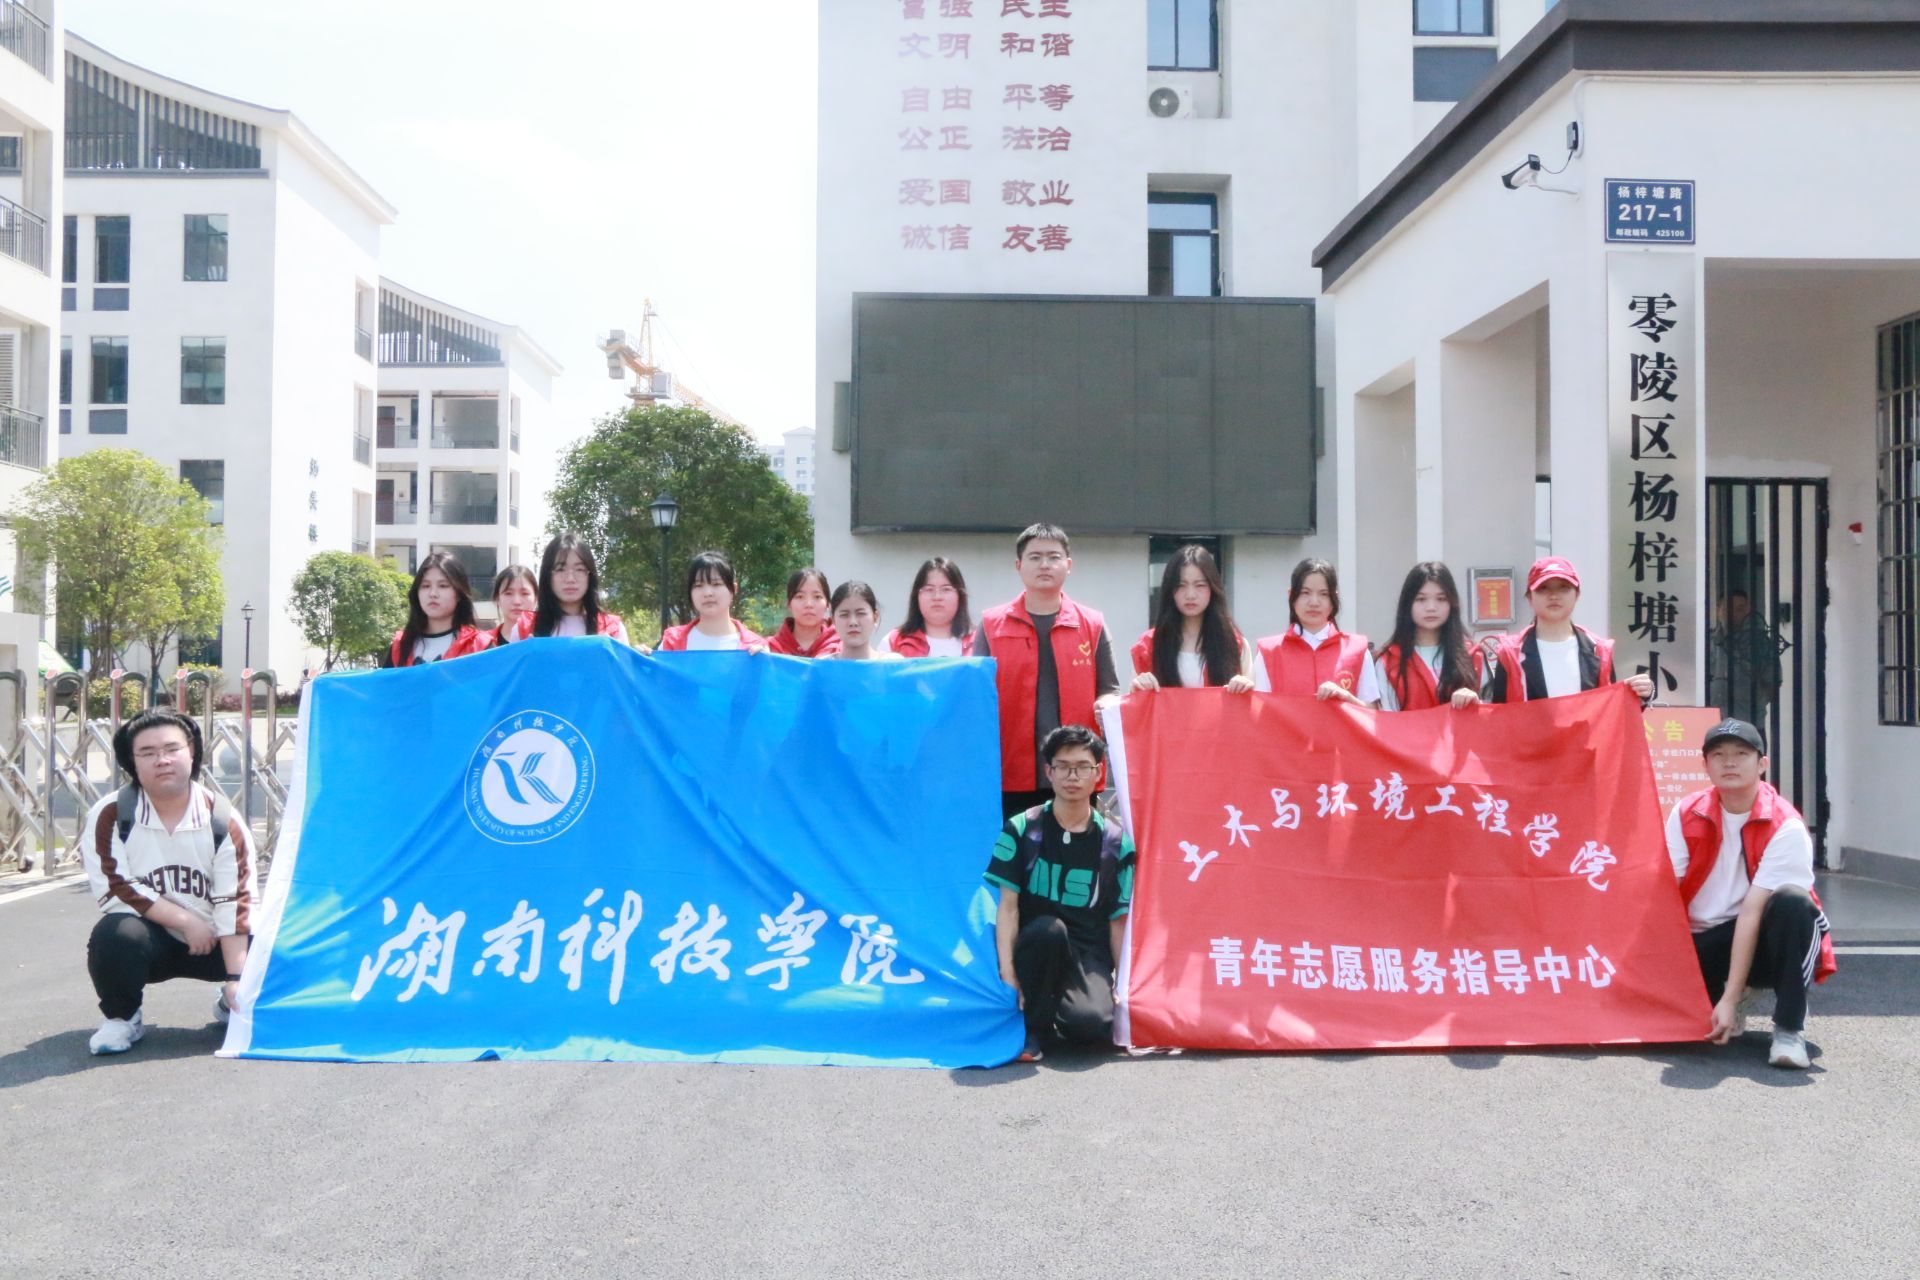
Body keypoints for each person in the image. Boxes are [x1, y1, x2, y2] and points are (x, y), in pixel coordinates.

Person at [80, 708, 255, 1056]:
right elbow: (115, 887)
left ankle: (231, 1001)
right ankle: (123, 1017)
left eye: (172, 749)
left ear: (192, 752)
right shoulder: (111, 813)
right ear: (131, 761)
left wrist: (237, 979)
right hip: (151, 940)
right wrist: (184, 921)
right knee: (114, 934)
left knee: (274, 943)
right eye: (147, 752)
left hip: (216, 940)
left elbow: (235, 900)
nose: (162, 760)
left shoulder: (222, 818)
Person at [1666, 718, 1835, 1070]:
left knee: (1792, 902)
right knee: (1681, 1030)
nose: (1729, 762)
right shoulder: (1685, 813)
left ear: (1762, 764)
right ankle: (1728, 995)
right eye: (1718, 754)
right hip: (1703, 942)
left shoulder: (1785, 825)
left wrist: (1728, 999)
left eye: (1741, 754)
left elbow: (1751, 912)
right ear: (1705, 765)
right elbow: (1664, 893)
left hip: (1764, 941)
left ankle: (1789, 1028)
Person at [985, 725, 1133, 1064]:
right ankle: (1034, 1028)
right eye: (1063, 767)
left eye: (1082, 767)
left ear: (1099, 774)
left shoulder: (1115, 842)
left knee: (1090, 1025)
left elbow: (1117, 921)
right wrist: (1008, 971)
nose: (1072, 776)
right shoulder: (1022, 828)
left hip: (1087, 949)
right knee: (1049, 930)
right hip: (1037, 943)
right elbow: (1008, 908)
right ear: (1049, 772)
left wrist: (1121, 986)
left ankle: (1064, 1011)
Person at [972, 523, 1120, 818]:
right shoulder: (991, 625)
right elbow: (975, 695)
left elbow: (1110, 689)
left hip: (1076, 770)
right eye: (1035, 557)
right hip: (1010, 769)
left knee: (1076, 844)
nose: (1044, 565)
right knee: (1015, 845)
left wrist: (1106, 704)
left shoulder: (1092, 624)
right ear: (1019, 565)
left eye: (1053, 557)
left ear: (1068, 565)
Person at [1483, 557, 1655, 703]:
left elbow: (1609, 713)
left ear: (1577, 595)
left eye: (1563, 588)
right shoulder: (1510, 653)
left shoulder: (1599, 651)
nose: (1554, 596)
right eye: (1543, 588)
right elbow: (1498, 715)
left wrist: (1642, 694)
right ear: (1529, 597)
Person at [1128, 544, 1255, 692]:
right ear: (1170, 590)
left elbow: (1253, 701)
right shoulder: (1148, 646)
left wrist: (1244, 686)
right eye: (1181, 585)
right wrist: (1137, 688)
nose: (1190, 595)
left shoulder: (1235, 644)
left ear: (1213, 588)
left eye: (1199, 585)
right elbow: (1133, 703)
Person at [1253, 557, 1379, 706]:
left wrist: (1346, 698)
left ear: (1334, 598)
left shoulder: (1357, 650)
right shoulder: (1269, 652)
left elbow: (1372, 712)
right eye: (1305, 593)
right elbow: (1258, 709)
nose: (1314, 602)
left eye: (1323, 594)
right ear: (1291, 595)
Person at [1374, 562, 1482, 711]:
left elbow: (1492, 714)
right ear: (1407, 604)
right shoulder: (1389, 662)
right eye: (1421, 599)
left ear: (1452, 603)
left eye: (1441, 599)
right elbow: (1385, 719)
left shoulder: (1473, 656)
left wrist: (1475, 703)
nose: (1431, 608)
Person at [381, 552, 495, 668]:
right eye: (426, 586)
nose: (433, 594)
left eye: (443, 586)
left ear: (459, 594)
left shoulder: (479, 646)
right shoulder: (400, 647)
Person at [517, 534, 632, 644]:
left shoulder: (611, 630)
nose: (570, 579)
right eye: (560, 569)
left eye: (579, 569)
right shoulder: (526, 629)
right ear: (547, 575)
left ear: (590, 575)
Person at [658, 550, 767, 651]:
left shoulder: (756, 648)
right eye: (698, 585)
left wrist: (764, 661)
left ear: (733, 589)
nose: (707, 593)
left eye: (716, 584)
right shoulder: (671, 645)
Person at [1708, 589, 1783, 724]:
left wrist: (1754, 701)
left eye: (1740, 609)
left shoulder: (1760, 644)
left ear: (1748, 611)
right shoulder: (1706, 643)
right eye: (1727, 608)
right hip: (1710, 723)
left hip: (1749, 723)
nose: (1733, 614)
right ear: (1718, 610)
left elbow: (1773, 682)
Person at [882, 557, 974, 657]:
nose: (937, 597)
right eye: (929, 589)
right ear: (916, 596)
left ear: (960, 596)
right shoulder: (894, 642)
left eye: (946, 589)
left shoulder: (978, 642)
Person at [765, 567, 840, 657]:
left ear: (828, 605)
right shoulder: (769, 649)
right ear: (788, 604)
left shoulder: (842, 649)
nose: (809, 604)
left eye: (817, 597)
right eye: (800, 597)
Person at [823, 580, 900, 661]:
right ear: (834, 620)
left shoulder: (893, 663)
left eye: (861, 613)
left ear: (875, 617)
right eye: (844, 615)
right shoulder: (822, 666)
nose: (853, 622)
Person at [486, 564, 539, 647]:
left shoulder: (549, 637)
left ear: (536, 598)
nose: (516, 601)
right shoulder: (484, 643)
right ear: (497, 598)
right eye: (508, 593)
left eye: (524, 593)